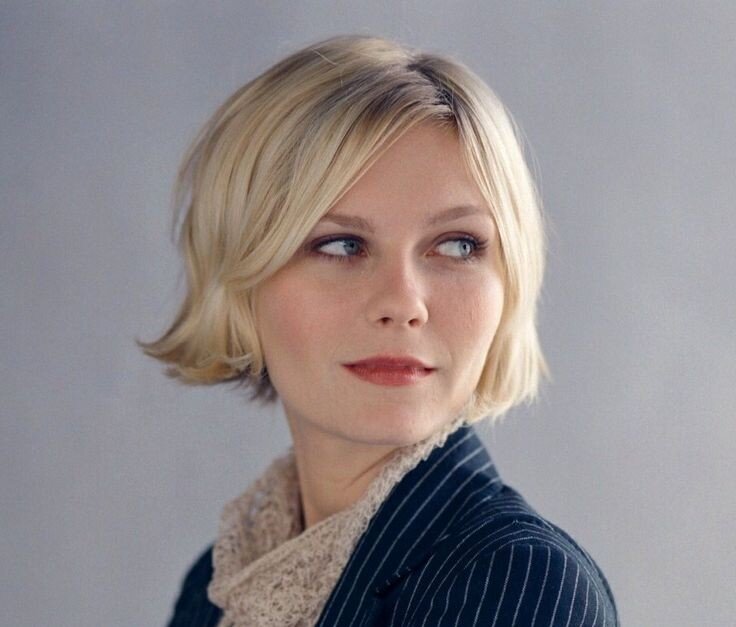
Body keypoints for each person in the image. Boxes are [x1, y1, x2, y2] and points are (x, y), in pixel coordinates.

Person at [138, 34, 619, 626]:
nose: (404, 304)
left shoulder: (516, 585)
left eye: (457, 245)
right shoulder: (220, 586)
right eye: (342, 245)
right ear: (240, 278)